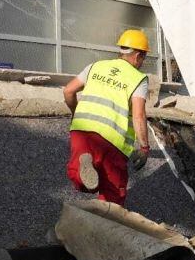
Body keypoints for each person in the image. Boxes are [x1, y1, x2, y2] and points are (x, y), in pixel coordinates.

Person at [64, 29, 152, 206]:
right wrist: (144, 147)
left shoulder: (95, 66)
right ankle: (107, 225)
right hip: (112, 140)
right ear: (137, 55)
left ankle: (85, 169)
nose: (142, 62)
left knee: (79, 177)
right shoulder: (138, 78)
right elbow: (138, 115)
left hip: (81, 130)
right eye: (143, 57)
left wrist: (77, 114)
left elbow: (68, 91)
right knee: (113, 192)